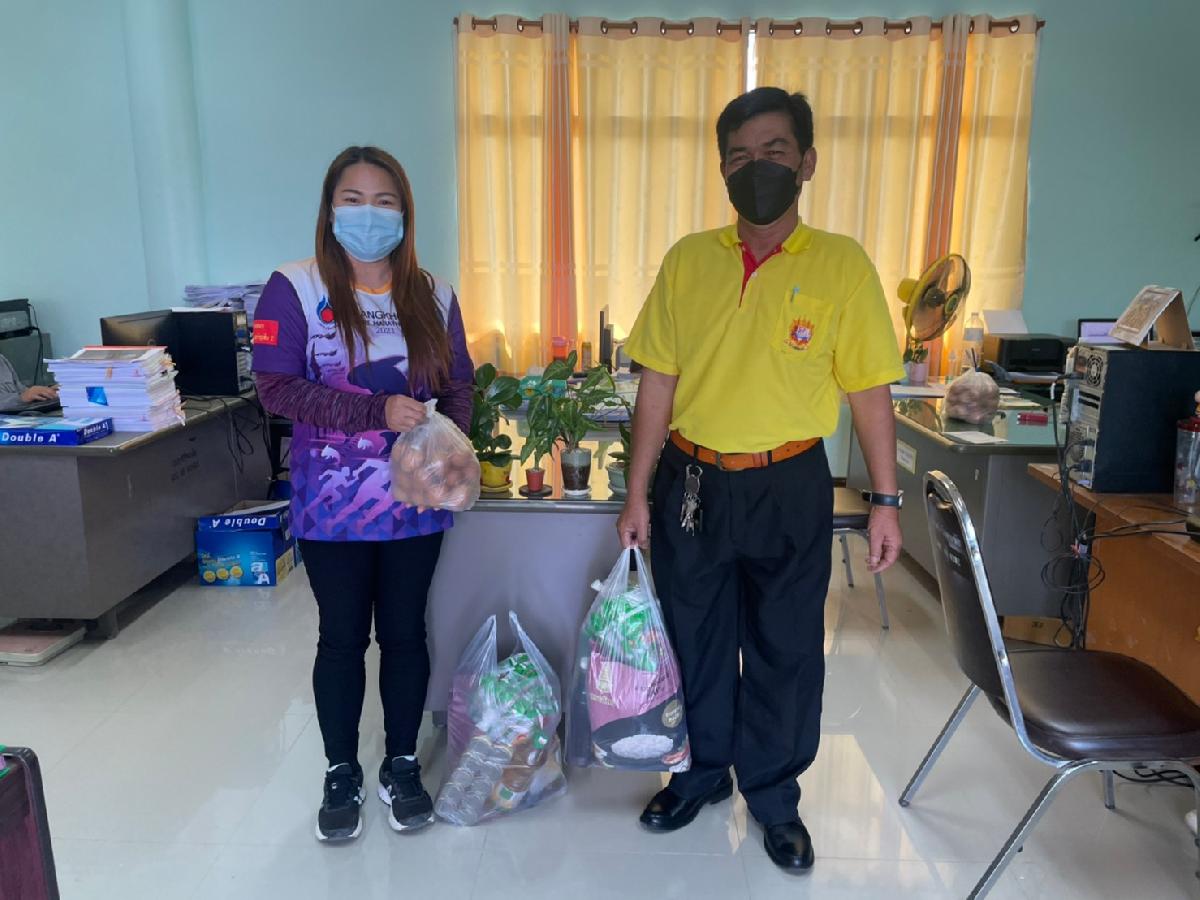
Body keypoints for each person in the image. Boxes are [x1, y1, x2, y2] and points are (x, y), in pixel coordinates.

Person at [617, 87, 906, 872]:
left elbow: (870, 391)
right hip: (692, 480)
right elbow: (657, 383)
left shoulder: (841, 265)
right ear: (723, 170)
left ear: (806, 162)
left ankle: (775, 798)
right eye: (740, 156)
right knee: (694, 638)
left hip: (790, 482)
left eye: (775, 152)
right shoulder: (689, 260)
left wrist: (885, 501)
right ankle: (700, 773)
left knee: (786, 646)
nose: (758, 168)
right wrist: (637, 492)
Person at [252, 146, 474, 843]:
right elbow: (275, 387)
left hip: (415, 505)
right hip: (331, 507)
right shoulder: (295, 287)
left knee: (406, 635)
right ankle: (341, 768)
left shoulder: (433, 294)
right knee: (342, 638)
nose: (369, 214)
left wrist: (448, 452)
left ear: (405, 213)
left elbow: (459, 384)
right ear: (330, 209)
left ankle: (401, 763)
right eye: (353, 199)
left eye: (384, 201)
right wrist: (372, 412)